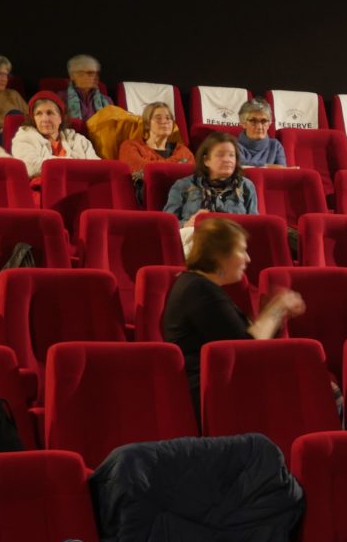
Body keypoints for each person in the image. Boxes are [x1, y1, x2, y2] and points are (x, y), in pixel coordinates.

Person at [162, 217, 305, 414]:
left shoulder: (200, 286)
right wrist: (277, 309)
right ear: (219, 255)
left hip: (225, 388)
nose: (248, 259)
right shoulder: (198, 290)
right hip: (214, 396)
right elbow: (244, 350)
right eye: (241, 250)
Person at [165, 133, 258, 230]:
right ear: (206, 160)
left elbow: (254, 224)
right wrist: (186, 224)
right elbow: (167, 223)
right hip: (195, 239)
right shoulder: (183, 185)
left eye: (231, 155)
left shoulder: (246, 185)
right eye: (220, 155)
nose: (227, 160)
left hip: (233, 241)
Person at [9, 91, 98, 178]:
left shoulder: (79, 140)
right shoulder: (24, 138)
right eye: (38, 114)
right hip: (44, 191)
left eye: (50, 113)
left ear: (60, 118)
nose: (44, 119)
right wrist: (77, 165)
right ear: (33, 119)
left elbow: (97, 167)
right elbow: (30, 167)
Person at [118, 101, 194, 178]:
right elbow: (139, 169)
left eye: (168, 118)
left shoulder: (183, 151)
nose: (165, 122)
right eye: (158, 118)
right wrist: (177, 166)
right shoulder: (130, 146)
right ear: (147, 123)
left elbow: (192, 175)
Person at [236, 98, 286, 167]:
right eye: (253, 121)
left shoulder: (275, 146)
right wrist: (268, 166)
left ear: (269, 124)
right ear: (243, 123)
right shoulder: (233, 146)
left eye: (264, 121)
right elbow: (239, 168)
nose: (259, 127)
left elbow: (281, 173)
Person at [61, 54, 112, 121]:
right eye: (90, 73)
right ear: (73, 75)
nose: (95, 77)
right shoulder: (61, 99)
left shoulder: (106, 101)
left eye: (96, 73)